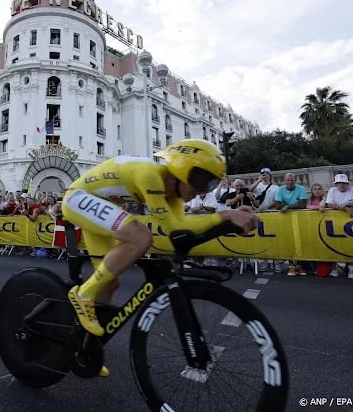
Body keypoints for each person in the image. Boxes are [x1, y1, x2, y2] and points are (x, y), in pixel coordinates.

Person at [62, 139, 261, 377]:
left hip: (101, 202)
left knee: (111, 281)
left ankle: (86, 348)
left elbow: (179, 227)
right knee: (140, 237)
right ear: (180, 170)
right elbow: (171, 227)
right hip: (77, 197)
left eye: (211, 184)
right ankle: (82, 295)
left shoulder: (174, 195)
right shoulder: (150, 176)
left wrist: (227, 217)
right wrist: (226, 215)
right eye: (201, 181)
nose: (202, 191)